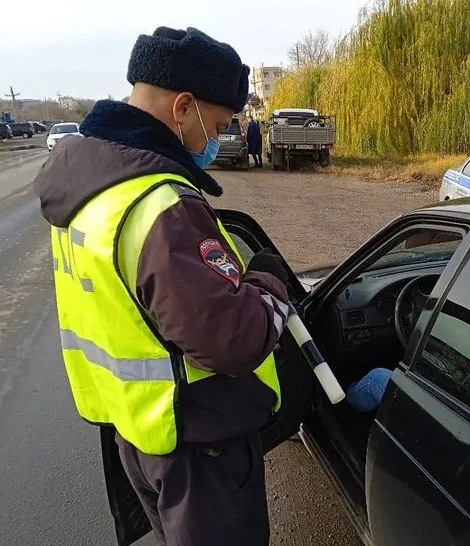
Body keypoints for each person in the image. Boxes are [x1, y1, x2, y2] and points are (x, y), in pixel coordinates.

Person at [33, 26, 290, 546]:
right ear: (184, 108)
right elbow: (232, 340)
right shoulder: (161, 206)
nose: (215, 140)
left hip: (137, 432)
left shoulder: (89, 187)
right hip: (198, 447)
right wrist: (268, 285)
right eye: (216, 124)